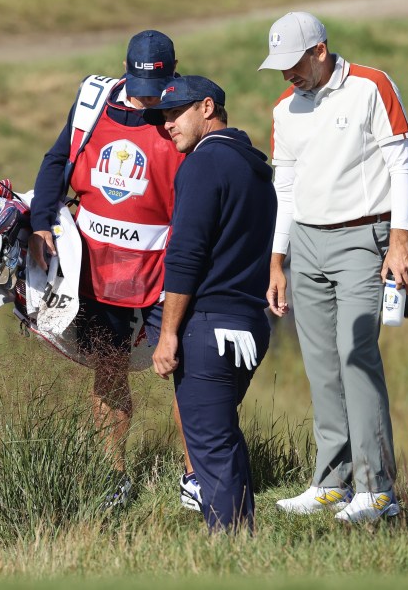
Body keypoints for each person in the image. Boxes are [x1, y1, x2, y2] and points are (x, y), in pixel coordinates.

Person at [28, 30, 196, 509]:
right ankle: (113, 476)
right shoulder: (94, 102)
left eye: (155, 88)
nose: (146, 98)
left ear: (173, 71)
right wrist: (41, 223)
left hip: (167, 269)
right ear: (126, 70)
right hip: (98, 270)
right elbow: (57, 160)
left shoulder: (185, 110)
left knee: (187, 372)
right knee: (108, 369)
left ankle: (196, 477)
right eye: (139, 85)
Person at [259, 12, 408, 523]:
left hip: (361, 240)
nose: (287, 75)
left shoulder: (372, 86)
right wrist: (277, 260)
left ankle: (378, 490)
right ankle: (331, 483)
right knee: (322, 366)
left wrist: (399, 241)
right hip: (305, 243)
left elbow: (400, 164)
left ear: (320, 50)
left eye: (294, 63)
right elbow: (285, 189)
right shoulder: (285, 108)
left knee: (356, 357)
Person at [151, 76, 277, 533]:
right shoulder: (254, 167)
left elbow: (186, 255)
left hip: (209, 328)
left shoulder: (203, 165)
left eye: (175, 113)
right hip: (249, 325)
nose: (167, 125)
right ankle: (245, 542)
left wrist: (168, 334)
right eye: (162, 116)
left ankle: (228, 551)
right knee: (225, 440)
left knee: (210, 446)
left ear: (208, 107)